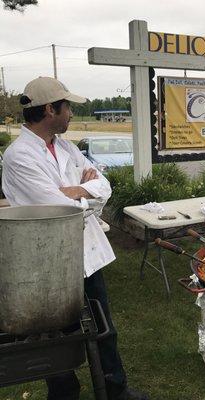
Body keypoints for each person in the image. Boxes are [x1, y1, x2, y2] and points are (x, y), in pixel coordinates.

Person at [1, 77, 149, 400]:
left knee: (104, 328)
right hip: (48, 264)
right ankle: (65, 395)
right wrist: (79, 194)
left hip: (86, 254)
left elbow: (104, 187)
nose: (70, 113)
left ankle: (115, 389)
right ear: (50, 109)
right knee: (57, 341)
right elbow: (57, 210)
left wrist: (77, 192)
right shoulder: (19, 157)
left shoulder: (65, 146)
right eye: (67, 107)